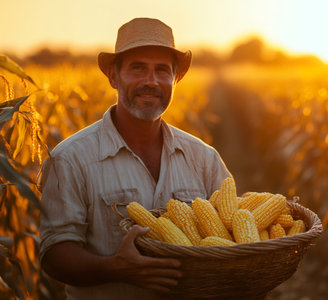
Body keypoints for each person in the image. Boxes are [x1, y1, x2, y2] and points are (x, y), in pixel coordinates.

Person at [39, 17, 231, 299]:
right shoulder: (70, 159)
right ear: (114, 77)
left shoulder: (204, 158)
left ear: (176, 79)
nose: (150, 81)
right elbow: (55, 254)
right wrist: (116, 268)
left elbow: (232, 239)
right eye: (137, 68)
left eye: (162, 70)